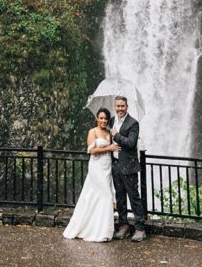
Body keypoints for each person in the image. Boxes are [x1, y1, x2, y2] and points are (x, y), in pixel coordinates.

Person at [62, 108, 118, 242]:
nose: (103, 120)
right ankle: (97, 230)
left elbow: (116, 147)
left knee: (101, 197)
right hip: (96, 167)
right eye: (101, 118)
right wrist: (108, 148)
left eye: (106, 118)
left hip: (107, 166)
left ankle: (101, 229)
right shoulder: (92, 132)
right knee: (104, 195)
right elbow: (92, 151)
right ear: (97, 119)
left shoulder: (110, 132)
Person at [111, 95, 146, 242]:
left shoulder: (133, 123)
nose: (120, 109)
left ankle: (140, 229)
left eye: (122, 106)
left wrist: (117, 135)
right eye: (118, 106)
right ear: (115, 106)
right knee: (120, 197)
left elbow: (131, 143)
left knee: (134, 198)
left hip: (129, 167)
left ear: (127, 107)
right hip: (116, 165)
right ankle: (123, 225)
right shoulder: (112, 121)